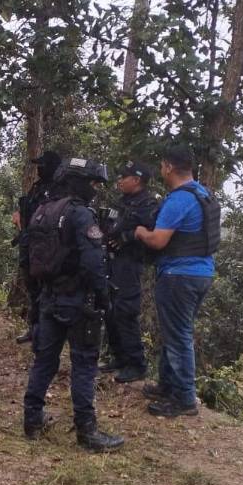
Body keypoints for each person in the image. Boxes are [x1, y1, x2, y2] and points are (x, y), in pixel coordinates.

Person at [21, 158, 125, 452]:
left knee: (45, 360)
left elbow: (29, 259)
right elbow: (93, 263)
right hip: (78, 302)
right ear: (77, 182)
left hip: (49, 298)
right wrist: (104, 298)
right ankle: (87, 431)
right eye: (91, 183)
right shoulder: (80, 215)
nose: (94, 189)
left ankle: (32, 418)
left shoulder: (42, 211)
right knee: (84, 364)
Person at [133, 144, 221, 417]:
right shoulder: (203, 194)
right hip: (201, 273)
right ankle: (167, 385)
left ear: (169, 167)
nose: (161, 170)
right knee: (175, 331)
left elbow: (158, 240)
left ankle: (184, 399)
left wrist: (140, 233)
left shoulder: (178, 200)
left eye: (162, 166)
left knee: (179, 335)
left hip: (178, 275)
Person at [100, 161, 161, 383]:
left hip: (130, 264)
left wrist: (125, 238)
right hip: (111, 262)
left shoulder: (149, 204)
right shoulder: (121, 201)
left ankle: (136, 364)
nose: (119, 180)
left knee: (126, 311)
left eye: (124, 177)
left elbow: (150, 233)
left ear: (136, 180)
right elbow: (109, 225)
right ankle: (119, 357)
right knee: (109, 309)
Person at [14, 151, 62, 344]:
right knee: (32, 288)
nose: (39, 169)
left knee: (46, 290)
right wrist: (19, 216)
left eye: (43, 165)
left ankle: (46, 332)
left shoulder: (58, 190)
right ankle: (34, 329)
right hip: (29, 243)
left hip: (45, 248)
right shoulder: (37, 187)